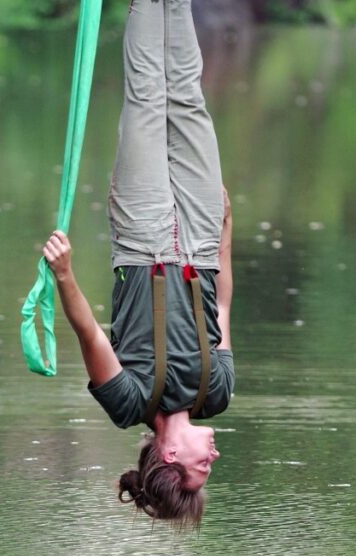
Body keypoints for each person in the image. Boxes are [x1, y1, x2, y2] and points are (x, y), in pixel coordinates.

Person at [43, 0, 235, 527]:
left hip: (143, 239)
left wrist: (64, 275)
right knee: (190, 98)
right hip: (198, 237)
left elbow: (89, 335)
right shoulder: (216, 393)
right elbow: (221, 302)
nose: (213, 458)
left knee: (149, 99)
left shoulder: (126, 405)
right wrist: (225, 233)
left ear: (172, 460)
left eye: (204, 468)